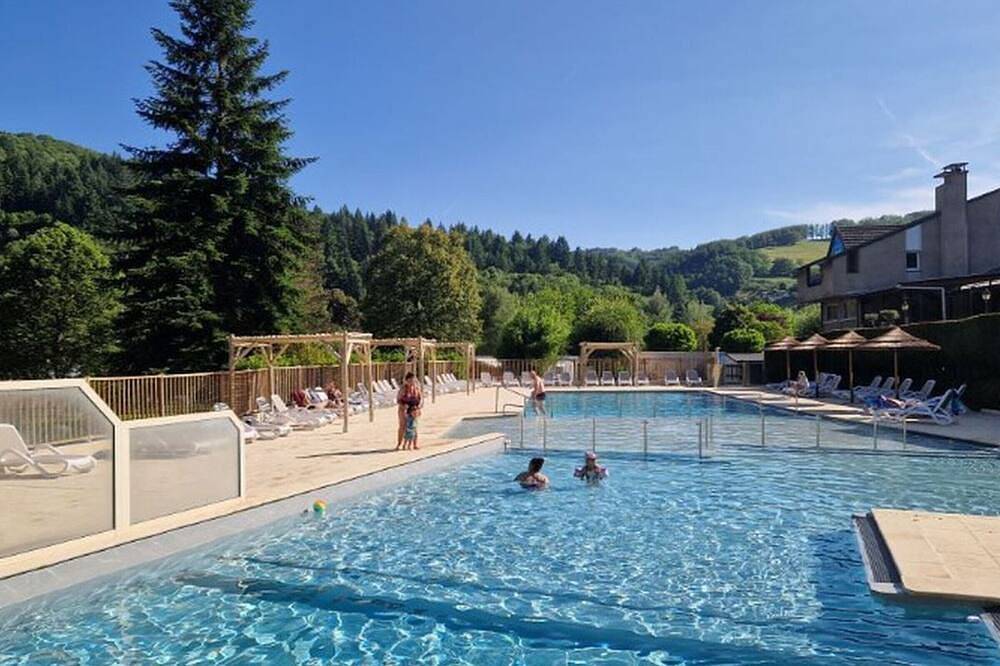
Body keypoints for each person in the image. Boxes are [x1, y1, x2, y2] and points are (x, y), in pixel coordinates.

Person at [396, 372, 422, 450]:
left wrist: (418, 408)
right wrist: (404, 407)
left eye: (413, 380)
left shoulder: (416, 389)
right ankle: (400, 444)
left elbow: (421, 400)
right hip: (403, 409)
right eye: (410, 380)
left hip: (414, 409)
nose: (412, 382)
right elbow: (398, 400)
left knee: (414, 427)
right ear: (406, 380)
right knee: (403, 426)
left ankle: (414, 444)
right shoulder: (403, 389)